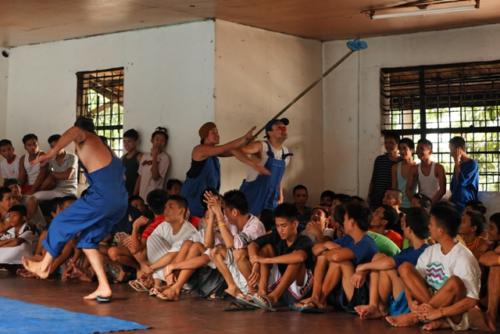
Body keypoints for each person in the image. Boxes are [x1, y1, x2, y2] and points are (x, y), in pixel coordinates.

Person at [22, 117, 128, 302]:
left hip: (102, 197)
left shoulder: (87, 138)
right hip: (119, 201)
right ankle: (104, 287)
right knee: (88, 241)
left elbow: (74, 131)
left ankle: (44, 267)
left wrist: (50, 154)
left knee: (60, 222)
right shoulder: (107, 151)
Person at [385, 203, 481, 331]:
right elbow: (411, 280)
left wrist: (440, 312)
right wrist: (410, 301)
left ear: (441, 231)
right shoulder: (431, 251)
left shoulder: (463, 257)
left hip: (454, 313)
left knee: (454, 282)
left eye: (431, 224)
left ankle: (416, 317)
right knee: (405, 268)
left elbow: (471, 301)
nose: (428, 227)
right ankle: (430, 318)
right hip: (431, 308)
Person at [295, 201, 377, 313]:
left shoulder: (366, 243)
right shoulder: (348, 239)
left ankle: (320, 299)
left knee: (340, 262)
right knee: (322, 257)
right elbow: (315, 250)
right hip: (344, 290)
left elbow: (337, 257)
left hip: (361, 294)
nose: (343, 222)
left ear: (352, 222)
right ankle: (316, 297)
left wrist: (329, 248)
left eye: (345, 219)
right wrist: (326, 245)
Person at [354, 207, 429, 319]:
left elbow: (389, 263)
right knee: (379, 259)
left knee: (385, 265)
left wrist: (362, 267)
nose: (402, 229)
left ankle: (379, 307)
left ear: (409, 229)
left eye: (404, 225)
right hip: (401, 294)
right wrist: (364, 271)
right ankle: (375, 306)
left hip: (411, 301)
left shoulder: (423, 250)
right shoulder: (409, 250)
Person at [181, 122, 264, 219]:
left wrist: (246, 141)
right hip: (191, 204)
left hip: (206, 205)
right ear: (205, 136)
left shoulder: (215, 155)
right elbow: (225, 147)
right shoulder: (199, 150)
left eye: (217, 132)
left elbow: (234, 151)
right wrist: (244, 138)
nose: (217, 135)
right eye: (213, 132)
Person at [242, 203, 314, 310]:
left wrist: (266, 260)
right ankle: (262, 292)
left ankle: (273, 297)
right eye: (277, 226)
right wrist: (256, 262)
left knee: (295, 260)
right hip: (282, 281)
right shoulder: (277, 235)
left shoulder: (304, 239)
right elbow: (253, 244)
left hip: (299, 286)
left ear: (295, 224)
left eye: (284, 226)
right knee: (266, 248)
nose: (280, 230)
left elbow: (300, 257)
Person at [239, 118, 292, 216]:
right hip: (253, 195)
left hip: (272, 197)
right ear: (269, 133)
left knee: (268, 227)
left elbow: (279, 177)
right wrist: (253, 164)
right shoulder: (261, 146)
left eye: (285, 128)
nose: (284, 130)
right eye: (279, 128)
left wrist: (280, 194)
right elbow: (238, 151)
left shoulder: (286, 152)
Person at [33, 134, 78, 201]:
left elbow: (67, 175)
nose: (55, 149)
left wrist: (52, 174)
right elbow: (44, 172)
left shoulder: (72, 157)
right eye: (52, 147)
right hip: (56, 190)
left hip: (69, 191)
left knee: (35, 196)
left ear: (63, 145)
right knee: (34, 197)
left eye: (57, 146)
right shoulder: (52, 160)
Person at [135, 127, 170, 202]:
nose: (159, 143)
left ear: (165, 143)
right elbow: (140, 177)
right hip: (141, 197)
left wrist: (154, 156)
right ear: (152, 140)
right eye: (157, 139)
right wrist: (135, 195)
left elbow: (155, 177)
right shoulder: (145, 156)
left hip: (154, 199)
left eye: (162, 141)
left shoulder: (165, 158)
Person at [478, 212, 500, 331]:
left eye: (492, 227)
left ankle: (491, 314)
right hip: (486, 296)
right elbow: (483, 259)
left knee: (496, 268)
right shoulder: (491, 246)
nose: (488, 230)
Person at [407, 139, 446, 204]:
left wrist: (429, 204)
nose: (418, 151)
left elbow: (442, 190)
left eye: (421, 149)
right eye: (417, 149)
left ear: (430, 152)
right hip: (421, 203)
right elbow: (408, 189)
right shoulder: (414, 168)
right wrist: (415, 202)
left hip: (435, 204)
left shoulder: (438, 168)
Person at [368, 131, 400, 209]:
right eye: (386, 143)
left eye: (391, 142)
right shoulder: (379, 159)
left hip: (391, 199)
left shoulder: (401, 161)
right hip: (376, 196)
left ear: (397, 144)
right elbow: (373, 179)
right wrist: (369, 195)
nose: (388, 145)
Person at [449, 136, 479, 213]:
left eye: (451, 150)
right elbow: (453, 185)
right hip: (455, 203)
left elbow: (462, 182)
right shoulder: (458, 165)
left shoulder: (472, 164)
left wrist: (456, 162)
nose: (451, 153)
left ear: (459, 149)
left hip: (466, 204)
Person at [391, 138, 416, 209]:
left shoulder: (417, 167)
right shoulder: (395, 167)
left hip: (413, 205)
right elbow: (394, 188)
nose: (402, 151)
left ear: (412, 150)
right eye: (400, 149)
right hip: (399, 205)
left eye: (405, 148)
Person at [121, 129, 142, 197]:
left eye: (129, 141)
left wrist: (134, 195)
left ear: (136, 142)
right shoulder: (123, 157)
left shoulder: (139, 157)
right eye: (124, 141)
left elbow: (140, 177)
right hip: (123, 193)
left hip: (134, 194)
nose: (126, 144)